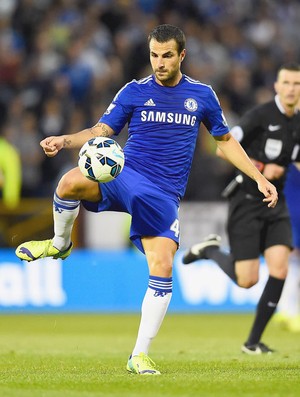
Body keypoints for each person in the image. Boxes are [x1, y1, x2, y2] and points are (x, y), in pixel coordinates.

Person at [15, 24, 277, 374]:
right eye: (154, 55)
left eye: (167, 55)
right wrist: (64, 140)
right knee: (68, 182)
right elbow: (100, 131)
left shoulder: (201, 95)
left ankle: (139, 354)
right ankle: (60, 243)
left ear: (181, 55)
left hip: (162, 194)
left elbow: (225, 141)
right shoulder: (134, 91)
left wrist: (257, 177)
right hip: (123, 175)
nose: (159, 62)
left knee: (163, 266)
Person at [183, 63, 300, 354]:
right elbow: (221, 146)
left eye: (297, 84)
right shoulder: (259, 117)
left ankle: (253, 342)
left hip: (277, 203)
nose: (291, 89)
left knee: (280, 268)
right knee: (247, 279)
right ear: (276, 85)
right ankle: (210, 250)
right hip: (246, 203)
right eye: (286, 82)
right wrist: (261, 167)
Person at [275, 163, 300, 332]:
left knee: (292, 261)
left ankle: (287, 309)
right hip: (293, 209)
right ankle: (288, 310)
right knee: (292, 258)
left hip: (291, 206)